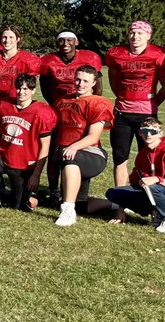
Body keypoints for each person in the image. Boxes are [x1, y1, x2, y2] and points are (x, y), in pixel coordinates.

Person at [0, 74, 57, 211]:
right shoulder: (5, 105)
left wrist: (36, 175)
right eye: (19, 88)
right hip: (2, 156)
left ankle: (36, 197)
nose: (22, 92)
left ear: (33, 91)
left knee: (18, 205)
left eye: (26, 89)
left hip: (24, 165)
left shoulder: (42, 112)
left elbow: (45, 147)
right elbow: (0, 128)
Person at [106, 20, 165, 187]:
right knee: (120, 158)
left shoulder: (158, 54)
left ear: (148, 36)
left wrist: (153, 102)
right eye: (132, 32)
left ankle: (149, 198)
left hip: (146, 114)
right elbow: (114, 83)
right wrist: (125, 97)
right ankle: (121, 200)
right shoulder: (116, 53)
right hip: (122, 113)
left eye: (140, 33)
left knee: (150, 157)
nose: (135, 36)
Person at [104, 118, 165, 233]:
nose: (149, 135)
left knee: (151, 186)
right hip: (152, 191)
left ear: (160, 134)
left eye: (153, 132)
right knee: (114, 193)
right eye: (145, 131)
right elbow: (135, 182)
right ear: (140, 133)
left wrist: (157, 179)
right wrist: (121, 210)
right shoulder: (143, 153)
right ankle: (156, 213)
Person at [52, 66, 114, 227]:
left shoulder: (98, 102)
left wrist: (73, 147)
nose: (81, 83)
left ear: (94, 83)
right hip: (68, 153)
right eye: (78, 79)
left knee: (71, 159)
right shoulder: (63, 101)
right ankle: (116, 205)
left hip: (90, 153)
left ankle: (67, 211)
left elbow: (94, 136)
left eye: (86, 81)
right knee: (81, 204)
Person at [0, 25, 42, 141]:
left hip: (17, 109)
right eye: (4, 37)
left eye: (11, 37)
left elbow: (29, 89)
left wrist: (22, 110)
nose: (7, 40)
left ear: (18, 39)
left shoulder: (28, 60)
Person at [39, 31, 104, 106]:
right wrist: (56, 104)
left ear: (76, 42)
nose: (65, 43)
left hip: (83, 102)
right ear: (57, 43)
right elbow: (45, 90)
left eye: (69, 40)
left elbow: (98, 89)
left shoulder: (90, 58)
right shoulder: (48, 61)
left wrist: (89, 104)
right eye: (61, 40)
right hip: (58, 102)